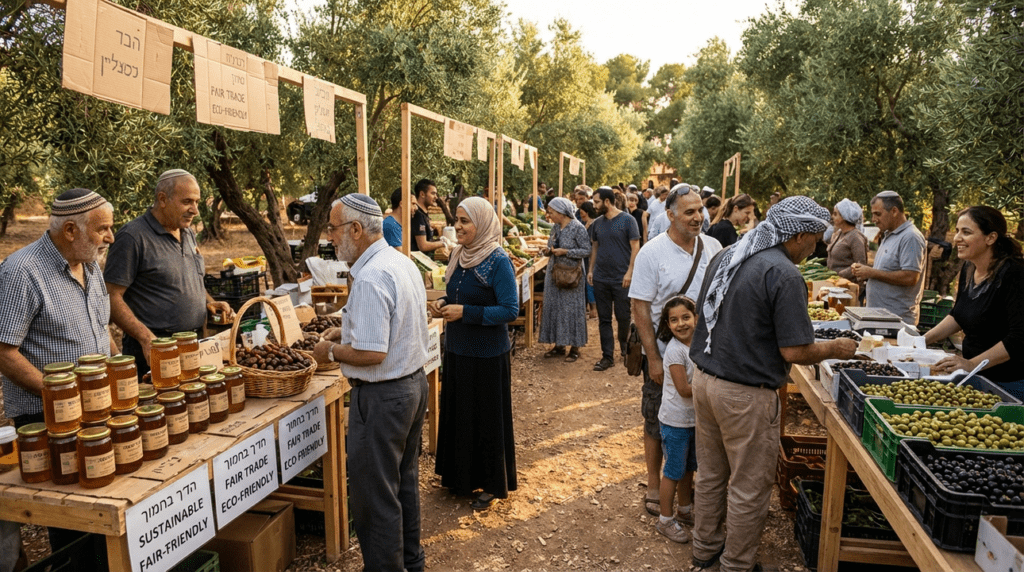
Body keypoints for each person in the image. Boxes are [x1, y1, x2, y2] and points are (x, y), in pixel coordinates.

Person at [688, 196, 857, 572]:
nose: (817, 247)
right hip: (744, 395)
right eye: (815, 239)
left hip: (705, 380)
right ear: (797, 235)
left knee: (713, 474)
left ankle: (704, 551)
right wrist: (839, 347)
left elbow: (705, 311)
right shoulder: (782, 273)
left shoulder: (729, 254)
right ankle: (736, 565)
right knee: (749, 486)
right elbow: (795, 350)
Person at [311, 193, 429, 572]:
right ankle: (412, 563)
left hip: (382, 399)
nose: (330, 236)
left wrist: (329, 351)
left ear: (356, 230)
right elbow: (389, 323)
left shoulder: (371, 276)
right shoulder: (397, 260)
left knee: (374, 502)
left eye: (333, 228)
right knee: (402, 486)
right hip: (411, 387)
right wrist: (346, 326)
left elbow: (371, 353)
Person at [0, 188, 116, 569]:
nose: (110, 237)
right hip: (49, 420)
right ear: (70, 229)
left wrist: (120, 371)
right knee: (74, 517)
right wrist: (60, 394)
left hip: (97, 409)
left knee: (105, 503)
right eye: (103, 229)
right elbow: (4, 351)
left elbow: (101, 330)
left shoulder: (92, 264)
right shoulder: (21, 272)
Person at [629, 184, 722, 519]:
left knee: (697, 419)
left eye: (700, 210)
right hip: (665, 353)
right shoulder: (652, 253)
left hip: (703, 355)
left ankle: (686, 486)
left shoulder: (713, 246)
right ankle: (655, 483)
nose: (698, 217)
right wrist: (653, 358)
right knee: (657, 417)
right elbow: (640, 309)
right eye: (689, 212)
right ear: (670, 215)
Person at [430, 197, 520, 511]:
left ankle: (493, 483)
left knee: (486, 418)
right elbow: (456, 292)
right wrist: (442, 303)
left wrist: (466, 312)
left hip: (486, 355)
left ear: (481, 223)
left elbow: (510, 309)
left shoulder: (497, 260)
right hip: (457, 349)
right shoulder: (458, 255)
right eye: (457, 219)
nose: (458, 226)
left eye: (465, 221)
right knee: (461, 414)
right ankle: (461, 477)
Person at [105, 170, 234, 380]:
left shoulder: (188, 232)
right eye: (187, 202)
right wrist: (146, 339)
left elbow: (190, 277)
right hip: (155, 349)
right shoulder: (132, 237)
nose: (195, 210)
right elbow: (111, 297)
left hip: (194, 344)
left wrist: (207, 302)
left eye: (197, 202)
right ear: (162, 199)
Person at [925, 207, 1024, 396]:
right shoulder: (969, 268)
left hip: (1010, 384)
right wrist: (921, 340)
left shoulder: (1015, 275)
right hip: (977, 378)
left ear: (991, 238)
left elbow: (1018, 339)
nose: (956, 238)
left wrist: (971, 364)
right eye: (957, 231)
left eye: (966, 232)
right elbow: (959, 314)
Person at [654, 296, 699, 544]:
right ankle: (665, 520)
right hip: (675, 422)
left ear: (695, 318)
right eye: (674, 320)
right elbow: (684, 389)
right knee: (673, 471)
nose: (681, 324)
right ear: (668, 324)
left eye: (685, 317)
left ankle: (685, 509)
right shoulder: (674, 351)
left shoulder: (698, 344)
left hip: (692, 420)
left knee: (688, 468)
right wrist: (710, 384)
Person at [851, 191, 927, 324]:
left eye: (878, 214)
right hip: (882, 318)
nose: (874, 219)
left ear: (894, 211)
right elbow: (887, 270)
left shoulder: (910, 237)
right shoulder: (889, 234)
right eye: (873, 214)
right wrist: (865, 270)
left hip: (896, 320)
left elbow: (911, 277)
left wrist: (871, 273)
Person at [588, 187, 640, 371]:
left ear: (607, 202)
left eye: (596, 202)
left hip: (621, 279)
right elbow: (595, 247)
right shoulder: (597, 224)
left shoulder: (628, 220)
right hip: (601, 278)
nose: (593, 205)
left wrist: (630, 272)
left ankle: (625, 348)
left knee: (623, 316)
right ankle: (607, 356)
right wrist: (591, 269)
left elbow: (635, 247)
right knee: (604, 319)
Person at [539, 198, 591, 362]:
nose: (549, 215)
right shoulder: (555, 227)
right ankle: (559, 345)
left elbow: (586, 250)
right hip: (555, 273)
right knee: (555, 307)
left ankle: (575, 347)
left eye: (552, 212)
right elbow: (552, 246)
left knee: (572, 309)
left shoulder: (578, 228)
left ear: (561, 212)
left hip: (571, 275)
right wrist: (548, 250)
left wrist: (566, 252)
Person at [826, 199, 868, 287]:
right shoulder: (839, 233)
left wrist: (839, 274)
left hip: (849, 286)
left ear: (844, 216)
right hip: (836, 284)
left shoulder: (855, 237)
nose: (832, 217)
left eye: (835, 214)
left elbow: (860, 265)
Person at [411, 178, 444, 253]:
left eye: (436, 194)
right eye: (433, 193)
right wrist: (443, 243)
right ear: (422, 194)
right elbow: (423, 246)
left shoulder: (423, 214)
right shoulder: (417, 215)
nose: (436, 197)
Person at [579, 201, 599, 317]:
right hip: (587, 257)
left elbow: (593, 243)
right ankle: (590, 308)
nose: (582, 216)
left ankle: (593, 309)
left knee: (590, 281)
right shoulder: (586, 224)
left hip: (591, 257)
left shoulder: (594, 225)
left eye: (583, 214)